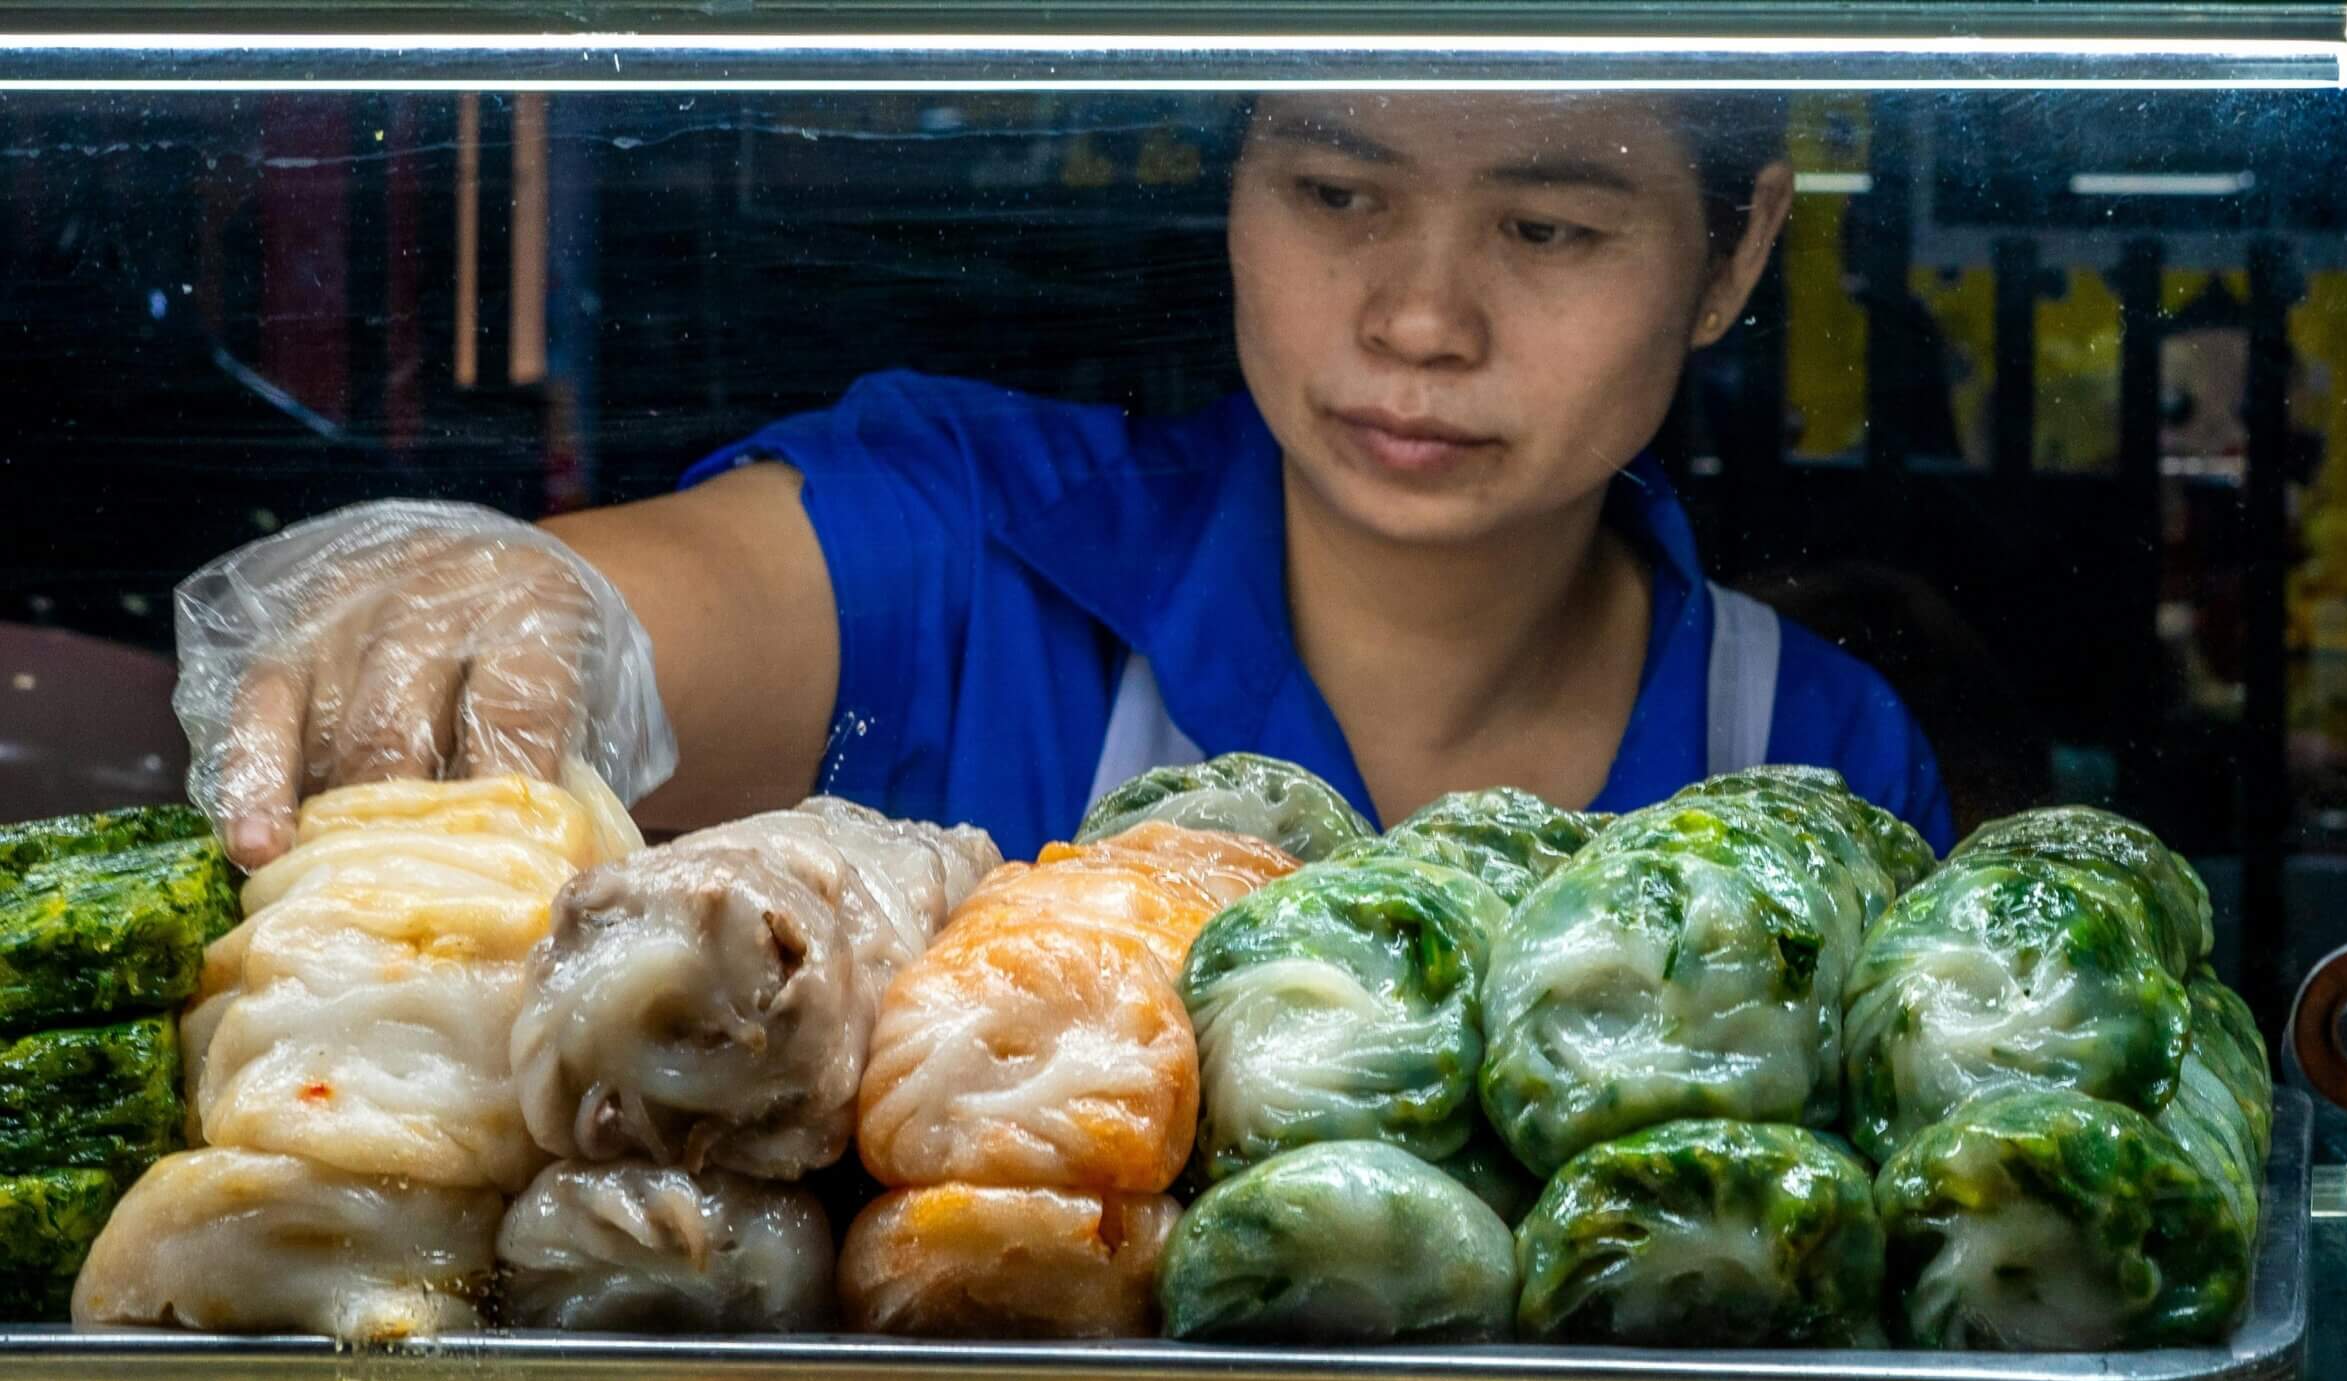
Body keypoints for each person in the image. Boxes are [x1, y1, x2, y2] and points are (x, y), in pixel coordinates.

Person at [203, 91, 1952, 868]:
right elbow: (679, 605)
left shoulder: (1810, 754)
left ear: (1735, 257)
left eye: (1552, 227)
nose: (1421, 319)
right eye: (1334, 197)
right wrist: (511, 600)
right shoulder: (976, 551)